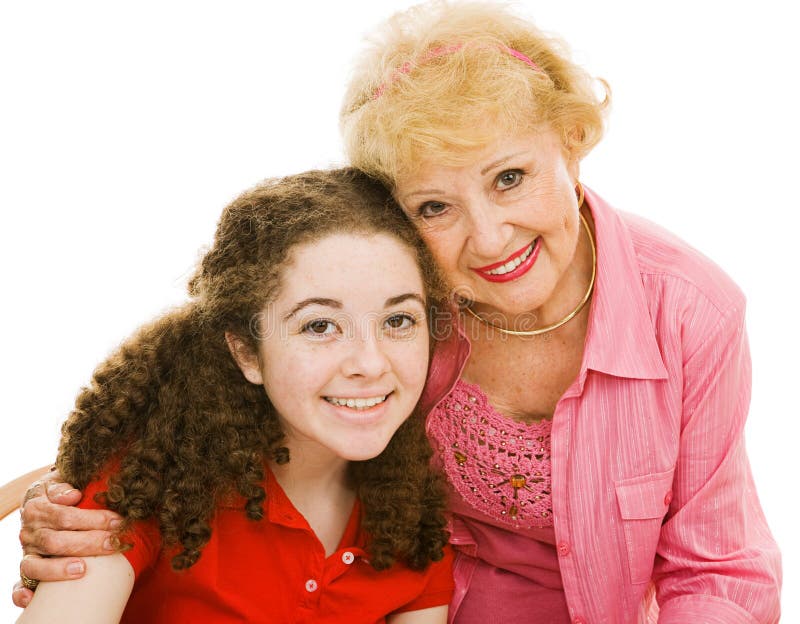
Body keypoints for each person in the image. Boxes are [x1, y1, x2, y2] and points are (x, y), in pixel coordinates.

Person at [14, 2, 782, 622]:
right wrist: (84, 495)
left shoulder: (690, 309)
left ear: (573, 143)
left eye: (511, 177)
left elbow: (718, 567)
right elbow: (261, 369)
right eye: (435, 205)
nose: (489, 236)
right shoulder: (398, 314)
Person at [15, 168, 453, 624]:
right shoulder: (147, 483)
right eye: (320, 326)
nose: (371, 363)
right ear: (247, 352)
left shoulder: (415, 512)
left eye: (398, 321)